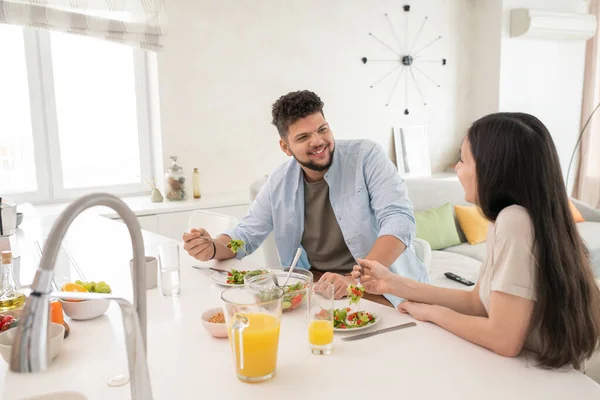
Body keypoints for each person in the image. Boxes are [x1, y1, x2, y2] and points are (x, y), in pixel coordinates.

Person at [352, 112, 600, 369]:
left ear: (492, 167)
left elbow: (503, 340)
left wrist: (434, 313)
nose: (457, 168)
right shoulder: (509, 219)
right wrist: (391, 282)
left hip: (537, 377)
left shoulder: (515, 221)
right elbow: (477, 303)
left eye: (462, 159)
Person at [183, 90, 429, 306]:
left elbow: (398, 221)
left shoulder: (367, 157)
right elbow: (245, 236)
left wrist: (354, 280)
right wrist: (213, 247)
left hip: (381, 288)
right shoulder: (279, 182)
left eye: (322, 129)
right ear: (285, 147)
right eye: (302, 137)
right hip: (317, 290)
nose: (318, 141)